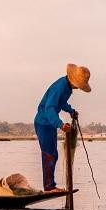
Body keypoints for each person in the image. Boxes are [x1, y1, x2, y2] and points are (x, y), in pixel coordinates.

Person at [34, 63, 91, 192]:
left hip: (48, 123)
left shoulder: (66, 87)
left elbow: (61, 103)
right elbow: (50, 108)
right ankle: (49, 187)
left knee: (53, 154)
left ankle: (50, 185)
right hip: (43, 123)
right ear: (75, 82)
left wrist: (70, 110)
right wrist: (59, 124)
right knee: (49, 154)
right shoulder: (60, 87)